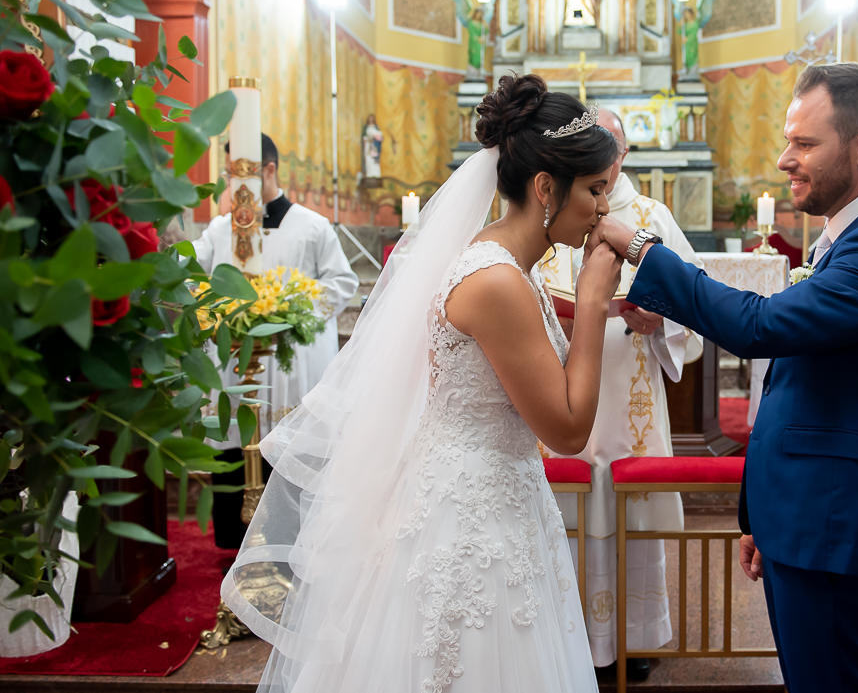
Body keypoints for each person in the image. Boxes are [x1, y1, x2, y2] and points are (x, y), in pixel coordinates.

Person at [222, 74, 624, 693]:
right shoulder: (495, 281)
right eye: (596, 190)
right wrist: (594, 302)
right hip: (470, 521)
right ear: (547, 187)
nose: (603, 209)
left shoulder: (509, 265)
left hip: (499, 498)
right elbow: (568, 430)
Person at [587, 62, 858, 692]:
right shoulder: (852, 238)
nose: (785, 159)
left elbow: (763, 328)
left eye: (805, 143)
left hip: (837, 529)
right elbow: (804, 385)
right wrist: (763, 514)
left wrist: (643, 251)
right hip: (807, 519)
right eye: (788, 140)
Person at [540, 110, 703, 681]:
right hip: (560, 396)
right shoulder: (554, 214)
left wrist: (663, 320)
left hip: (628, 401)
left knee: (629, 511)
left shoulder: (652, 219)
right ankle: (563, 638)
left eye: (606, 145)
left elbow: (694, 304)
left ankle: (635, 638)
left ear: (622, 155)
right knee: (565, 513)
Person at [192, 133, 358, 549]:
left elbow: (342, 283)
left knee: (291, 453)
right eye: (229, 175)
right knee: (234, 446)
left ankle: (291, 544)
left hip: (292, 360)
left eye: (238, 174)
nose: (232, 184)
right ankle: (234, 546)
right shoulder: (219, 229)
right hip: (235, 358)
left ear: (268, 170)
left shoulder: (312, 226)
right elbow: (191, 272)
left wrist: (286, 308)